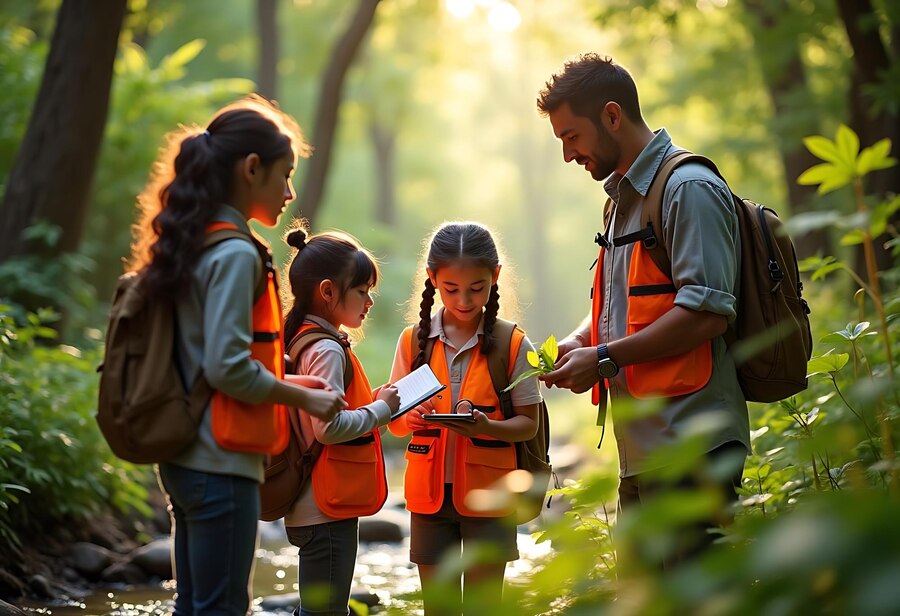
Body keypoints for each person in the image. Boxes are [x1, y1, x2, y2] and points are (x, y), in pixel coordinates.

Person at [129, 95, 346, 615]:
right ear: (252, 169)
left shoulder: (192, 241)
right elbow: (226, 366)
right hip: (220, 461)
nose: (291, 192)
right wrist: (303, 397)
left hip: (185, 455)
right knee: (222, 608)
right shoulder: (233, 254)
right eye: (286, 175)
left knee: (194, 606)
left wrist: (294, 387)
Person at [535, 54, 750, 567]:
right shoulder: (621, 200)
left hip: (693, 446)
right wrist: (581, 342)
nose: (568, 155)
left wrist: (605, 357)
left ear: (612, 116)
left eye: (571, 136)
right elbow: (621, 305)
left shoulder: (688, 189)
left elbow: (707, 312)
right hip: (646, 452)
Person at [388, 222, 544, 615]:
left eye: (477, 288)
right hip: (428, 500)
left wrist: (487, 427)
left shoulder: (512, 343)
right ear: (432, 280)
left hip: (491, 497)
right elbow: (393, 420)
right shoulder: (413, 342)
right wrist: (413, 418)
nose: (463, 300)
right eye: (451, 289)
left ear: (495, 277)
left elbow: (529, 423)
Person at [280, 226, 400, 616]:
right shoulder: (326, 348)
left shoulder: (299, 336)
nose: (369, 302)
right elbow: (328, 428)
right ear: (328, 292)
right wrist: (381, 410)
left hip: (311, 502)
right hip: (325, 508)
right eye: (362, 291)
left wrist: (375, 403)